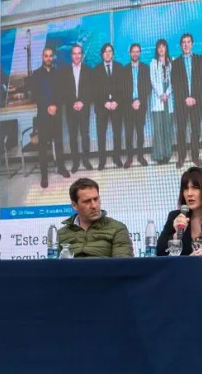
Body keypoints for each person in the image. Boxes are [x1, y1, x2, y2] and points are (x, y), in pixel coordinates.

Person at [56, 178, 134, 258]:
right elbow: (53, 268)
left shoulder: (117, 229)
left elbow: (123, 266)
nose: (94, 206)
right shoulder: (60, 234)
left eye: (96, 199)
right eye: (87, 201)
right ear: (74, 205)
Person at [29, 46, 70, 188]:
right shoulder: (36, 74)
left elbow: (61, 93)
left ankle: (61, 168)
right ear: (42, 57)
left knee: (58, 143)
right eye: (46, 56)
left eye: (50, 56)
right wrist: (48, 107)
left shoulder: (57, 73)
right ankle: (44, 176)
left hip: (56, 114)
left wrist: (55, 106)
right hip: (43, 116)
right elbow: (35, 95)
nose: (48, 58)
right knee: (42, 147)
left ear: (53, 57)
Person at [171, 33, 202, 168]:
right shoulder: (176, 63)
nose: (186, 44)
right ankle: (181, 156)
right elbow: (176, 83)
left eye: (188, 42)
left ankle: (195, 156)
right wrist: (186, 98)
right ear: (181, 45)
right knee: (181, 130)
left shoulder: (198, 59)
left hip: (196, 101)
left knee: (196, 129)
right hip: (182, 102)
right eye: (183, 42)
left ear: (192, 44)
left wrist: (194, 97)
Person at [59, 44, 94, 173]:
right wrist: (73, 103)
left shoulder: (88, 70)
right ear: (71, 55)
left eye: (79, 53)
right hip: (70, 109)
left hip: (84, 108)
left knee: (85, 135)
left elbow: (91, 90)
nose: (77, 56)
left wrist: (83, 102)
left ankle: (86, 160)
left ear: (82, 54)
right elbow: (63, 91)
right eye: (74, 53)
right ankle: (75, 163)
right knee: (73, 136)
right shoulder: (64, 71)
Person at [94, 43, 126, 170]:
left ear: (113, 53)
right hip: (102, 107)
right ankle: (102, 160)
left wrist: (116, 101)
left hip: (116, 106)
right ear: (102, 54)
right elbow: (94, 91)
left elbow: (124, 88)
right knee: (101, 134)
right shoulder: (96, 70)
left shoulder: (119, 67)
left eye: (110, 51)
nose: (108, 53)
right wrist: (104, 102)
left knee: (117, 133)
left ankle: (116, 158)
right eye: (105, 51)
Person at [123, 43, 152, 167]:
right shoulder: (124, 70)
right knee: (129, 133)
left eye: (137, 51)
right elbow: (122, 89)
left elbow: (148, 87)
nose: (135, 54)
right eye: (133, 51)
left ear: (140, 53)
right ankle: (129, 158)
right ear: (130, 53)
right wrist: (132, 101)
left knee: (140, 132)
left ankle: (140, 156)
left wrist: (139, 100)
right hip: (128, 106)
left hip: (141, 105)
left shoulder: (145, 68)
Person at [149, 39, 175, 165]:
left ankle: (167, 153)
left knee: (168, 127)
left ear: (166, 48)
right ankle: (159, 155)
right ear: (157, 49)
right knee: (158, 128)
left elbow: (173, 81)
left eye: (163, 46)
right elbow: (153, 81)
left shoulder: (171, 62)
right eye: (159, 47)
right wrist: (161, 94)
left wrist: (167, 93)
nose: (161, 49)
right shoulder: (153, 63)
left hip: (168, 98)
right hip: (158, 98)